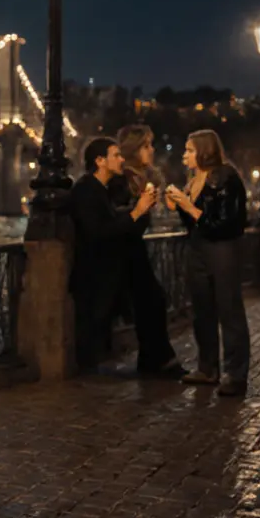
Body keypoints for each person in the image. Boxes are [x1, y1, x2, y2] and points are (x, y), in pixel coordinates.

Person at [165, 130, 251, 397]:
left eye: (190, 150)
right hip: (198, 248)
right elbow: (194, 222)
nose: (184, 156)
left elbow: (226, 223)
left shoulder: (225, 177)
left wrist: (188, 206)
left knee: (229, 309)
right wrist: (178, 204)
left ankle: (236, 375)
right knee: (202, 309)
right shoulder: (194, 181)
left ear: (204, 151)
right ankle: (207, 367)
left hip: (222, 248)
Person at [69, 137, 157, 373]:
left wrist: (139, 212)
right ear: (100, 161)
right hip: (93, 274)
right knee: (92, 328)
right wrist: (136, 212)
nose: (121, 160)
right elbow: (97, 231)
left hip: (106, 272)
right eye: (115, 155)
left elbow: (113, 224)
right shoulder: (86, 191)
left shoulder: (101, 189)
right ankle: (84, 380)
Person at [113, 125, 185, 377]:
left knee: (152, 300)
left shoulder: (144, 179)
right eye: (146, 146)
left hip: (135, 246)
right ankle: (161, 360)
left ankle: (151, 359)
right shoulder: (122, 180)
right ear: (133, 149)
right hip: (123, 249)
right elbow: (120, 219)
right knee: (152, 300)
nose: (151, 150)